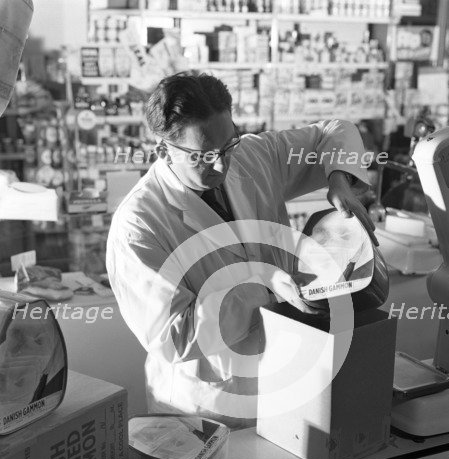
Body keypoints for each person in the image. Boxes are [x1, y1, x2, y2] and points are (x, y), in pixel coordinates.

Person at [106, 72, 374, 429]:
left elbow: (335, 130)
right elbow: (175, 337)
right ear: (163, 151)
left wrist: (338, 178)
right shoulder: (138, 224)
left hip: (284, 381)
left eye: (228, 144)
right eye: (202, 156)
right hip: (206, 409)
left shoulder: (253, 155)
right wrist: (263, 286)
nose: (221, 164)